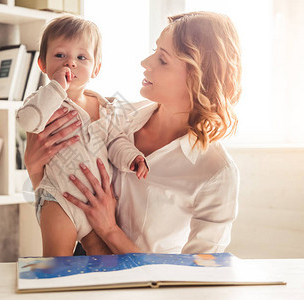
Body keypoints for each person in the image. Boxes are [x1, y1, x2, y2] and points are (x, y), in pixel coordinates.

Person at [24, 11, 242, 255]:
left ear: (197, 76)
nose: (145, 62)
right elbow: (64, 186)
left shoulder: (216, 172)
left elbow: (196, 277)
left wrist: (109, 230)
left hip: (147, 289)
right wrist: (34, 171)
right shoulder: (114, 115)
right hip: (85, 265)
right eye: (154, 51)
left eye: (162, 59)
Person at [16, 15, 149, 256]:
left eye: (81, 57)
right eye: (60, 55)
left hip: (96, 204)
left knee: (102, 264)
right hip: (59, 198)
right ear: (42, 65)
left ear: (96, 68)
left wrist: (132, 158)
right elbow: (27, 121)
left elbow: (116, 141)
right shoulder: (43, 101)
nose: (70, 63)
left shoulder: (104, 106)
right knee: (58, 264)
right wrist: (56, 88)